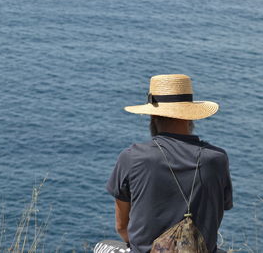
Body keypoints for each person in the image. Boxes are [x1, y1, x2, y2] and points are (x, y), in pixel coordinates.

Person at [96, 74, 233, 253]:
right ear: (190, 116)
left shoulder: (132, 158)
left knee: (103, 246)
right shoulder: (216, 159)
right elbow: (219, 212)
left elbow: (122, 227)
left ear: (153, 116)